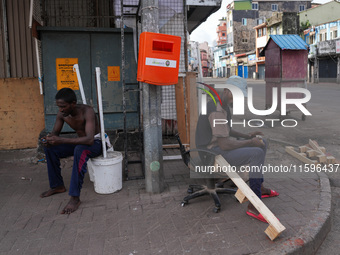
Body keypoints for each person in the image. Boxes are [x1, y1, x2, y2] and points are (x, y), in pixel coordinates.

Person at [200, 76, 279, 222]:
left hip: (219, 147)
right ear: (226, 91)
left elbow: (226, 130)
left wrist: (247, 135)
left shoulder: (224, 106)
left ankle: (259, 187)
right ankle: (254, 206)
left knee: (263, 142)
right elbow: (224, 145)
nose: (237, 98)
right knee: (256, 153)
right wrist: (249, 142)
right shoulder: (216, 110)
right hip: (211, 154)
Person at [40, 88, 102, 214]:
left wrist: (61, 140)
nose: (61, 109)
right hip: (80, 143)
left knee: (80, 150)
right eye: (59, 106)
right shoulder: (62, 114)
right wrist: (49, 139)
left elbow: (90, 140)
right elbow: (55, 134)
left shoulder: (87, 111)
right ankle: (57, 185)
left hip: (97, 143)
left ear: (73, 103)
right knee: (50, 148)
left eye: (63, 106)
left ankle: (75, 197)